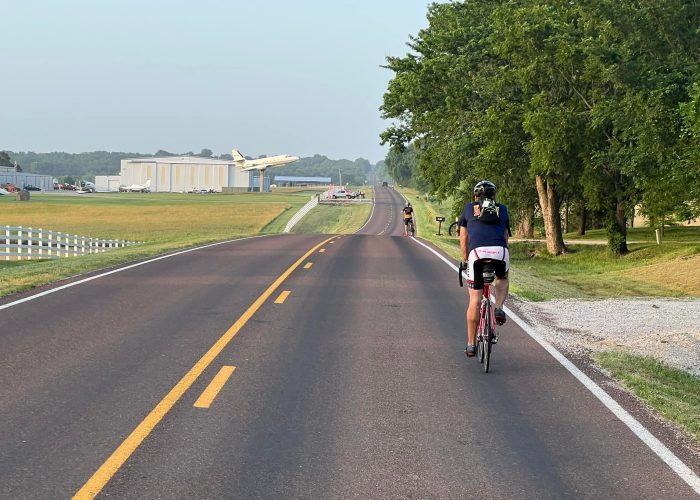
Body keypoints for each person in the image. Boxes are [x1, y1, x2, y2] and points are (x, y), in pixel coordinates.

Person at [458, 180, 510, 357]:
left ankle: (471, 344)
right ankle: (499, 307)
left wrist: (465, 259)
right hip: (499, 252)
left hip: (477, 255)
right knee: (502, 278)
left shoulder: (468, 208)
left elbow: (464, 238)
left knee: (475, 299)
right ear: (494, 196)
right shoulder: (502, 209)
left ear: (475, 196)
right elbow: (505, 236)